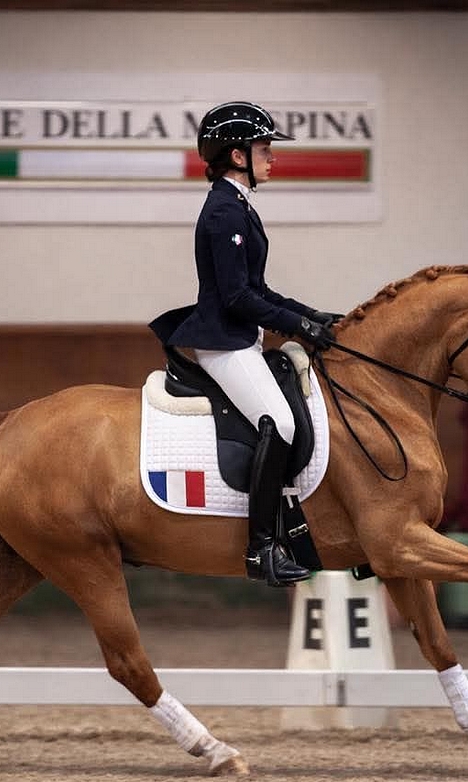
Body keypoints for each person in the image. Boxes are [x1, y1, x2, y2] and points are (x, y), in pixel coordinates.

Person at [149, 100, 340, 587]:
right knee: (279, 423)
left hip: (242, 338)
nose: (271, 157)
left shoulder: (238, 206)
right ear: (238, 156)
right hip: (224, 342)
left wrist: (309, 316)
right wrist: (297, 328)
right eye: (264, 148)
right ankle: (261, 549)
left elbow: (260, 289)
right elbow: (236, 298)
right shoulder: (222, 213)